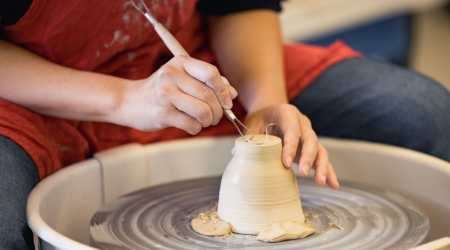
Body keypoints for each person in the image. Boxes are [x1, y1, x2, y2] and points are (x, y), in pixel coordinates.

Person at [1, 0, 449, 249]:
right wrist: (121, 99)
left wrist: (265, 102)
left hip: (200, 68)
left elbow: (239, 2)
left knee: (421, 113)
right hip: (36, 93)